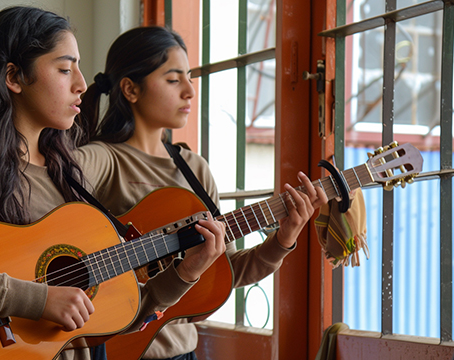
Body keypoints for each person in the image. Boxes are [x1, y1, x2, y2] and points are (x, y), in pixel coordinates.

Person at [0, 8, 226, 360]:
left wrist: (184, 273)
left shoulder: (68, 178)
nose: (81, 83)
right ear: (14, 77)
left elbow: (110, 318)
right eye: (65, 69)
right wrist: (34, 299)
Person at [77, 26, 328, 360]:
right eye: (172, 79)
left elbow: (225, 269)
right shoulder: (99, 159)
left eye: (190, 78)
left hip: (184, 353)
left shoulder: (194, 169)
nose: (189, 92)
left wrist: (282, 240)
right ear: (130, 89)